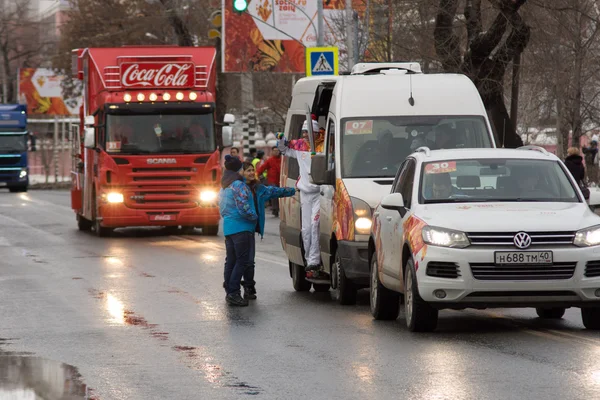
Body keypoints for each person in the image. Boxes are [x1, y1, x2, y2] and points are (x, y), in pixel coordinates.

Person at [239, 162, 295, 299]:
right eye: (248, 171)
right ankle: (232, 288)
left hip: (250, 230)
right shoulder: (237, 188)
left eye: (252, 170)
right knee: (237, 261)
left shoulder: (259, 189)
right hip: (238, 229)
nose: (251, 173)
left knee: (250, 261)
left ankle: (249, 286)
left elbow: (274, 191)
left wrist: (294, 190)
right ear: (241, 173)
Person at [277, 119, 323, 272]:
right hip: (305, 193)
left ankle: (315, 259)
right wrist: (281, 139)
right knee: (306, 228)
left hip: (320, 193)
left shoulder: (325, 147)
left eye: (308, 132)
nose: (304, 135)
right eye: (303, 132)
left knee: (315, 225)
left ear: (315, 132)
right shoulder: (299, 147)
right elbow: (283, 149)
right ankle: (309, 259)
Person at [219, 155, 258, 307]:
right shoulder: (239, 185)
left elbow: (221, 207)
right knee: (242, 261)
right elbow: (244, 208)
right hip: (242, 228)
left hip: (229, 228)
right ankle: (234, 293)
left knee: (231, 261)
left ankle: (229, 290)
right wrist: (253, 216)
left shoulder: (224, 186)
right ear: (239, 169)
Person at [257, 146, 283, 216]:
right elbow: (261, 169)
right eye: (274, 150)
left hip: (281, 180)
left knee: (281, 194)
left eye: (277, 150)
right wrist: (260, 177)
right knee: (274, 194)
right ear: (272, 151)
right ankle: (275, 209)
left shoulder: (282, 160)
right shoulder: (270, 160)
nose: (276, 152)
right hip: (272, 181)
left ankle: (279, 208)